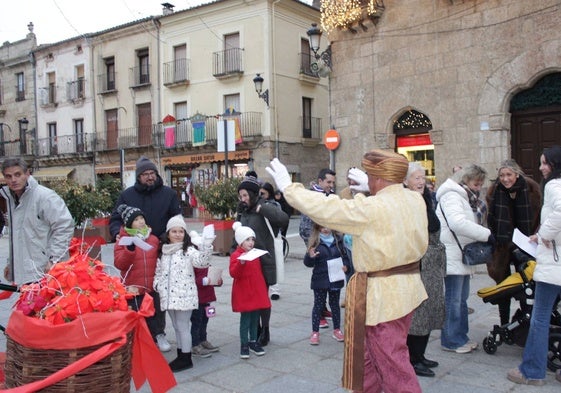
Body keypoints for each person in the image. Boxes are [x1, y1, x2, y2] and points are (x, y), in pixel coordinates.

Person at [266, 150, 429, 392]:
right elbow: (395, 200)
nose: (369, 180)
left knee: (394, 366)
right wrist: (373, 189)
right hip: (407, 291)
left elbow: (327, 208)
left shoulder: (371, 208)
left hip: (383, 299)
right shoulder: (415, 199)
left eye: (371, 176)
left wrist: (290, 189)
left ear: (379, 177)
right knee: (370, 357)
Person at [110, 155, 181, 352]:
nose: (150, 177)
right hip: (133, 254)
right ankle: (135, 333)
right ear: (138, 177)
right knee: (134, 297)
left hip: (160, 249)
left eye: (152, 173)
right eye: (145, 174)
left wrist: (169, 240)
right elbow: (115, 219)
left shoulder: (168, 194)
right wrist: (118, 235)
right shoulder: (127, 195)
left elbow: (176, 219)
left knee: (156, 295)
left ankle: (159, 332)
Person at [507, 146, 561, 386]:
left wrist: (546, 234)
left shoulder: (553, 185)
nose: (541, 168)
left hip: (554, 264)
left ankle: (532, 370)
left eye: (545, 163)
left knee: (539, 316)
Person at [436, 164, 494, 354]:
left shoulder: (464, 196)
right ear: (466, 180)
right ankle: (451, 340)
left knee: (460, 299)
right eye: (476, 184)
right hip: (453, 253)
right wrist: (486, 234)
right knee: (454, 299)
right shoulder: (452, 195)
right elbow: (457, 222)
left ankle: (460, 336)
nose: (478, 188)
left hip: (460, 253)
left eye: (480, 184)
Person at [153, 215, 214, 372]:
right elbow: (158, 271)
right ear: (168, 233)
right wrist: (157, 285)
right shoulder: (164, 252)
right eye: (174, 231)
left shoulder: (188, 251)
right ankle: (181, 353)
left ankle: (186, 357)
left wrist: (207, 246)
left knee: (182, 326)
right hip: (168, 296)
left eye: (181, 231)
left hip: (184, 295)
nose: (178, 234)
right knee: (176, 326)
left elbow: (202, 262)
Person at [0, 157, 74, 285]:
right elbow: (18, 236)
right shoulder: (10, 199)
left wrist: (54, 260)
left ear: (27, 174)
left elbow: (64, 226)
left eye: (18, 174)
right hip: (27, 273)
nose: (13, 180)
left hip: (45, 271)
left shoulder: (45, 196)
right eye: (8, 176)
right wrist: (12, 264)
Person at [234, 174, 289, 346]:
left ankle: (264, 329)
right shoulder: (242, 211)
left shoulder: (265, 206)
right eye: (240, 196)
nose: (243, 199)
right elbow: (237, 233)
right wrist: (232, 250)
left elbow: (283, 219)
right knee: (250, 296)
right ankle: (255, 328)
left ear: (252, 194)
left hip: (263, 260)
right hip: (246, 262)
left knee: (262, 298)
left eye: (245, 195)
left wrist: (262, 209)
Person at [486, 159, 541, 326]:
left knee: (527, 285)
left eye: (509, 174)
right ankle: (504, 323)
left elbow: (537, 218)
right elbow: (491, 219)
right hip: (502, 245)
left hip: (525, 244)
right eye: (502, 175)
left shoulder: (531, 189)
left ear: (517, 174)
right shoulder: (494, 191)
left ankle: (525, 322)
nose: (505, 179)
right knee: (503, 287)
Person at [404, 163, 446, 377]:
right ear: (405, 181)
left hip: (432, 263)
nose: (421, 181)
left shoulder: (426, 198)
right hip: (419, 263)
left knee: (430, 309)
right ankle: (412, 359)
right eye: (416, 178)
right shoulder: (406, 203)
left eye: (423, 177)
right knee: (419, 313)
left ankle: (420, 355)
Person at [113, 204, 161, 343]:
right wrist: (129, 250)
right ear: (129, 224)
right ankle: (136, 345)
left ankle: (155, 341)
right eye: (136, 220)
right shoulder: (123, 241)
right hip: (133, 288)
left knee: (154, 318)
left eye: (142, 218)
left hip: (151, 288)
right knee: (136, 319)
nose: (140, 222)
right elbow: (120, 264)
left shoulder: (153, 239)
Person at [299, 168, 336, 327]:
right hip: (318, 243)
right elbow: (305, 226)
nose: (331, 185)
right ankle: (319, 312)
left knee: (331, 277)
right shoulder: (312, 197)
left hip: (330, 241)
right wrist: (314, 244)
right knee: (320, 279)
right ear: (320, 181)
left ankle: (324, 307)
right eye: (328, 182)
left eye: (333, 182)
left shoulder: (331, 196)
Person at [304, 223, 350, 345]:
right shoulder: (315, 242)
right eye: (321, 227)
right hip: (320, 279)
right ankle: (315, 332)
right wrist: (311, 256)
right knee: (318, 305)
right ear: (317, 228)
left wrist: (346, 266)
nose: (325, 229)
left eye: (326, 226)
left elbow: (345, 256)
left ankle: (336, 330)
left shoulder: (338, 240)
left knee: (334, 305)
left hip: (335, 277)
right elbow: (307, 263)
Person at [230, 221, 271, 359]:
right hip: (244, 291)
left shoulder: (255, 254)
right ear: (240, 241)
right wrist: (241, 263)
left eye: (252, 239)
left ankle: (253, 341)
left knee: (255, 319)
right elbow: (234, 273)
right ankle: (244, 343)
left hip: (256, 290)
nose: (251, 242)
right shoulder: (236, 255)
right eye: (247, 239)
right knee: (245, 319)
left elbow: (258, 273)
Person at [190, 227, 222, 358]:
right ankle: (195, 343)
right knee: (196, 321)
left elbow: (213, 278)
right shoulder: (193, 262)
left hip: (208, 298)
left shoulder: (208, 262)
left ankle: (203, 339)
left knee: (206, 320)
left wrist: (218, 280)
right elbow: (193, 279)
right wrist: (202, 280)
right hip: (197, 299)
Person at [260, 182, 283, 301]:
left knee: (276, 262)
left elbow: (279, 220)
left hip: (273, 237)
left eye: (263, 193)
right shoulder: (258, 204)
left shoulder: (275, 205)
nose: (261, 195)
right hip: (262, 236)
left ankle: (275, 289)